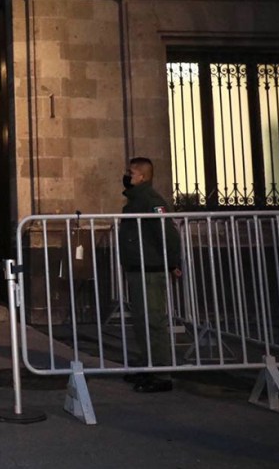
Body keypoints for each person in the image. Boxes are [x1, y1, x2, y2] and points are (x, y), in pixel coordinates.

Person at [118, 157, 182, 394]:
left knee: (153, 321)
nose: (127, 176)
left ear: (142, 176)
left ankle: (161, 373)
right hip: (137, 268)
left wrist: (173, 262)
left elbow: (167, 233)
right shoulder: (136, 200)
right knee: (141, 321)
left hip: (151, 269)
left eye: (131, 172)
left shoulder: (150, 200)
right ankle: (148, 365)